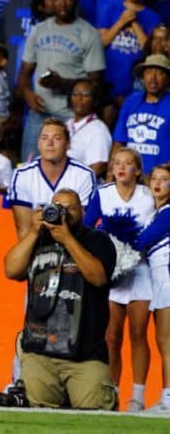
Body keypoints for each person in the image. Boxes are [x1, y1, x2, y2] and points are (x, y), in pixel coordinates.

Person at [3, 189, 118, 410]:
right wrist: (34, 232)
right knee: (38, 414)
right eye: (57, 207)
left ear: (82, 212)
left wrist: (67, 239)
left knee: (96, 414)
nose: (62, 213)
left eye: (70, 208)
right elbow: (10, 269)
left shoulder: (98, 239)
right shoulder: (38, 239)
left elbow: (98, 277)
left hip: (85, 353)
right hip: (39, 349)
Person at [86, 148, 156, 412]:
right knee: (111, 337)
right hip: (112, 274)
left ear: (138, 170)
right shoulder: (102, 193)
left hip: (140, 270)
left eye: (128, 163)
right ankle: (111, 393)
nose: (121, 167)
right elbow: (89, 227)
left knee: (138, 334)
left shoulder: (148, 195)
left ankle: (137, 397)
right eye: (117, 163)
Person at [18, 0, 105, 162]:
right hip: (39, 112)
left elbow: (95, 85)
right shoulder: (38, 30)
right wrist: (27, 94)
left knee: (63, 170)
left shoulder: (88, 33)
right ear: (50, 1)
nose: (63, 3)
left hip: (70, 117)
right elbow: (24, 72)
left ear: (75, 1)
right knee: (29, 166)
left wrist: (61, 83)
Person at [131, 163, 170, 413]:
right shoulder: (156, 213)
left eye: (164, 179)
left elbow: (141, 242)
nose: (157, 183)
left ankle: (168, 401)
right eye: (154, 178)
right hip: (160, 281)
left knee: (166, 342)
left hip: (167, 278)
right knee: (163, 341)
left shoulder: (167, 212)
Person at [112, 53, 170, 175]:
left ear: (168, 78)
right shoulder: (131, 101)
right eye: (148, 72)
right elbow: (119, 142)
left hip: (160, 179)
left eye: (159, 73)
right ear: (143, 76)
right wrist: (112, 171)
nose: (153, 78)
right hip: (130, 177)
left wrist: (162, 173)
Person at [66, 79, 112, 178]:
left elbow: (98, 167)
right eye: (75, 94)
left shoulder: (98, 129)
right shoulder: (67, 124)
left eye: (85, 95)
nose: (79, 98)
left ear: (95, 101)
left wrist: (75, 183)